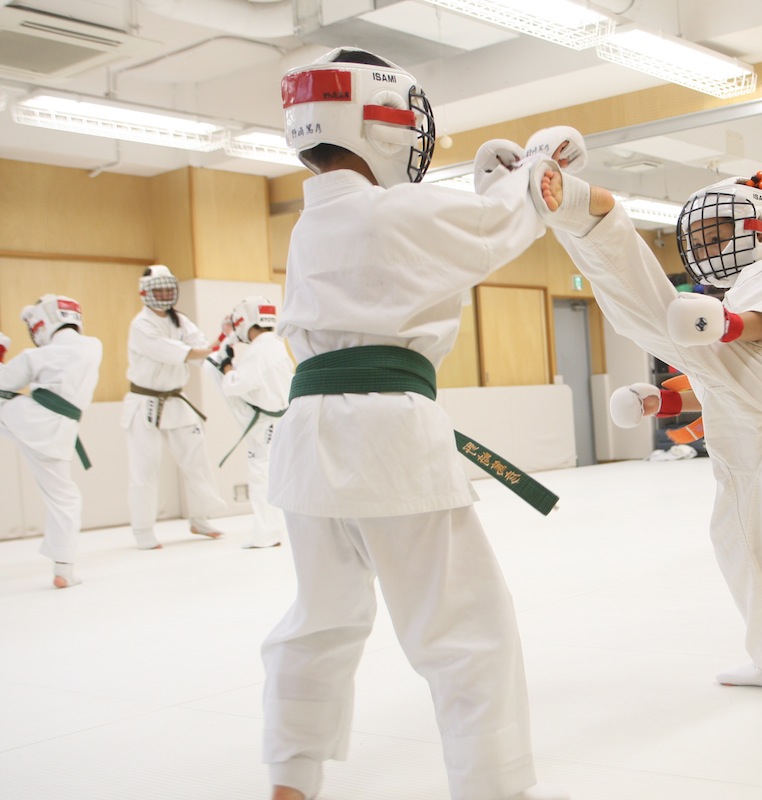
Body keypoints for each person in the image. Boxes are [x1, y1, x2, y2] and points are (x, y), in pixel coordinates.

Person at [262, 47, 567, 800]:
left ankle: (290, 778)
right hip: (386, 435)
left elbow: (443, 238)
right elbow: (500, 226)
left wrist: (491, 184)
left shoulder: (314, 223)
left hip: (307, 436)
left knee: (323, 616)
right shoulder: (393, 211)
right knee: (465, 629)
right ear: (379, 124)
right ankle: (493, 788)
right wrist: (537, 166)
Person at [534, 137, 762, 690]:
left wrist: (728, 326)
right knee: (740, 539)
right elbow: (724, 384)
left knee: (652, 315)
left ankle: (593, 217)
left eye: (720, 233)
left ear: (760, 228)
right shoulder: (738, 292)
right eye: (703, 237)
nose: (709, 245)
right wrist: (662, 401)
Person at [122, 264, 227, 549]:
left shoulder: (181, 321)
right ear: (145, 293)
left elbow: (202, 352)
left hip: (176, 400)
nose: (165, 294)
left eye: (168, 289)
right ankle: (143, 529)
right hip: (145, 402)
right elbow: (177, 353)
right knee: (145, 468)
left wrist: (223, 338)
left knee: (197, 460)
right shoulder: (141, 325)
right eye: (158, 290)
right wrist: (215, 345)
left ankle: (200, 518)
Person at [0, 295, 102, 588]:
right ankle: (63, 570)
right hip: (56, 431)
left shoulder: (37, 356)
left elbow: (5, 381)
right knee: (65, 499)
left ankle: (64, 569)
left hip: (28, 419)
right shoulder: (94, 345)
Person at [206, 296, 293, 549]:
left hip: (264, 423)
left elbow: (235, 385)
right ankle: (273, 531)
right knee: (271, 475)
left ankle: (266, 534)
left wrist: (226, 367)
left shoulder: (259, 351)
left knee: (261, 476)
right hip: (277, 419)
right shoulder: (275, 345)